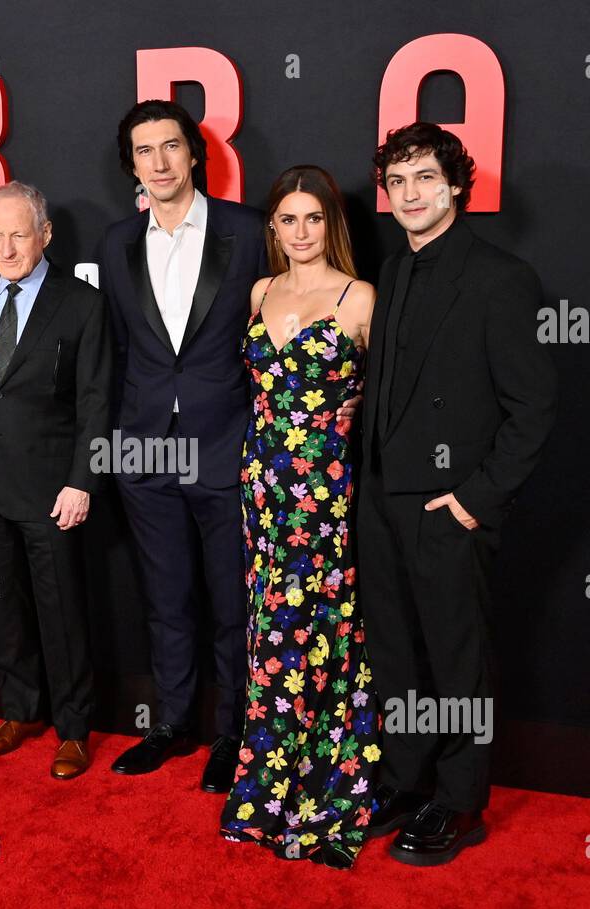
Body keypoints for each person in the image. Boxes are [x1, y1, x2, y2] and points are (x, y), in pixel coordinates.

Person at [98, 100, 351, 791]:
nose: (159, 162)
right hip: (145, 456)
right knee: (165, 597)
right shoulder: (115, 242)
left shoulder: (246, 231)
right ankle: (172, 723)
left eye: (171, 146)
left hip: (230, 449)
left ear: (193, 154)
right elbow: (116, 352)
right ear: (132, 165)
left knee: (233, 602)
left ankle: (231, 734)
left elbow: (290, 318)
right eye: (145, 151)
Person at [357, 123, 557, 865]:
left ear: (456, 185)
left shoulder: (500, 276)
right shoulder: (394, 270)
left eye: (424, 179)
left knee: (455, 658)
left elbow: (532, 409)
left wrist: (475, 498)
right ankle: (407, 779)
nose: (409, 194)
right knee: (396, 653)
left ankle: (460, 800)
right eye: (398, 181)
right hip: (378, 500)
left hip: (445, 506)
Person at [218, 166, 380, 868]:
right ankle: (267, 784)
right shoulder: (261, 290)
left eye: (313, 218)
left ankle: (324, 787)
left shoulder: (359, 296)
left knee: (323, 626)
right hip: (261, 488)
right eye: (288, 220)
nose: (300, 232)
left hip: (325, 490)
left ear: (331, 224)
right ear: (273, 228)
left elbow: (392, 391)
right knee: (267, 630)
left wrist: (359, 406)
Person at [0, 182, 111, 780]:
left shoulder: (82, 304)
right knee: (1, 604)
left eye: (18, 233)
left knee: (60, 611)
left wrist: (83, 480)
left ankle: (73, 728)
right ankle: (18, 709)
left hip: (51, 487)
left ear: (46, 234)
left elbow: (96, 403)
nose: (6, 248)